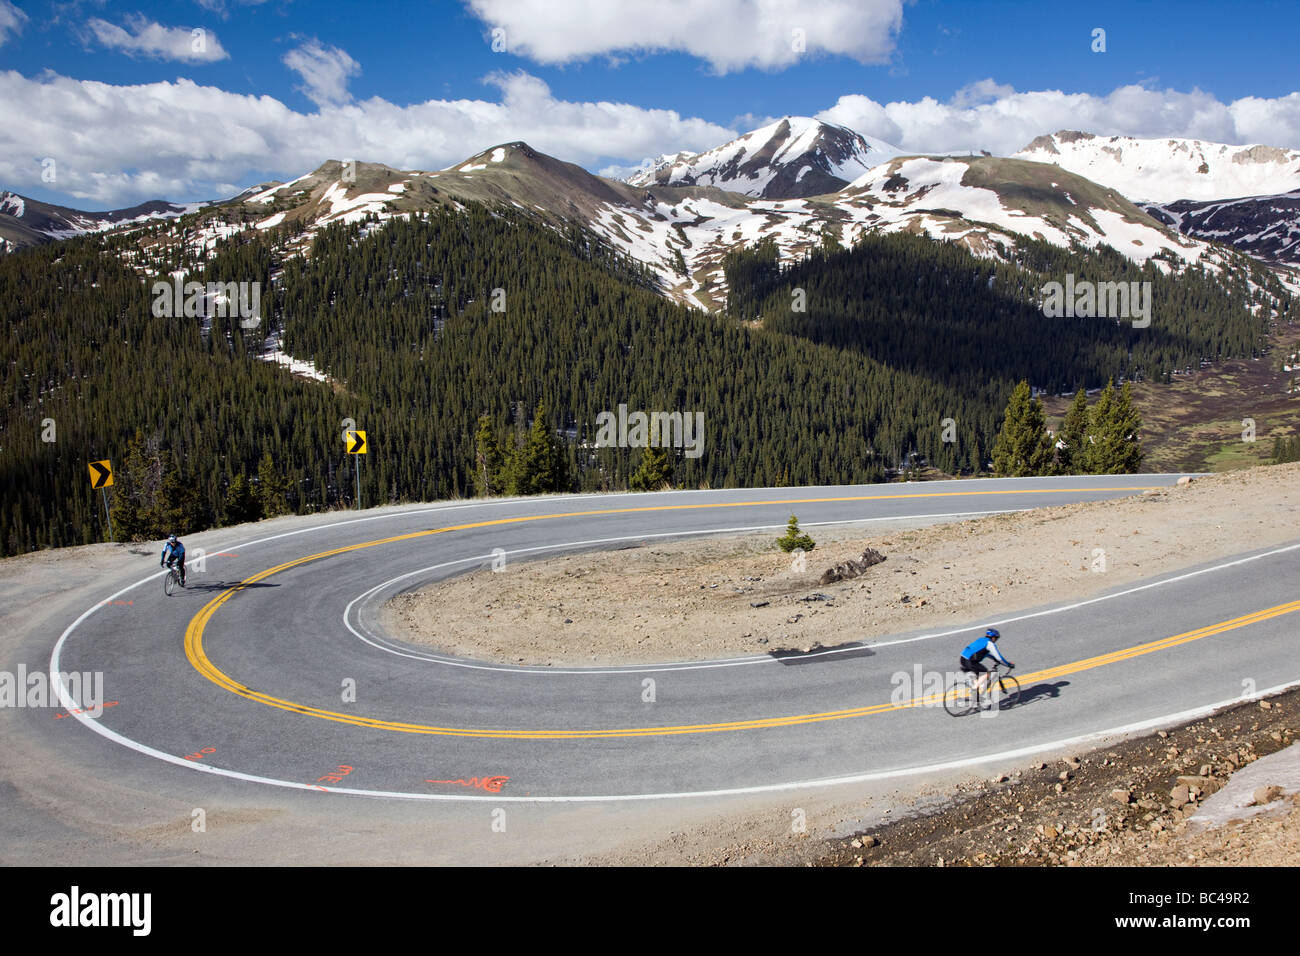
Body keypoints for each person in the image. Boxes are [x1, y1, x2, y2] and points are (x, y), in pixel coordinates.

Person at [959, 627, 1013, 695]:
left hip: (963, 658)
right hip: (970, 661)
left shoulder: (981, 640)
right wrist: (1008, 664)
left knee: (979, 678)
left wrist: (993, 658)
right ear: (993, 637)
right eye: (996, 638)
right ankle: (974, 690)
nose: (996, 640)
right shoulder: (990, 644)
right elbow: (1000, 658)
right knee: (986, 673)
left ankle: (976, 697)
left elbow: (984, 654)